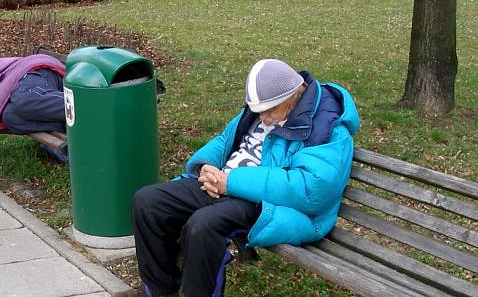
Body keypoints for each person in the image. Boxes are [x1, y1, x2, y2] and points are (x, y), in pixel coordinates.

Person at [114, 59, 360, 297]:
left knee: (203, 225)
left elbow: (311, 191)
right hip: (225, 185)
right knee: (148, 202)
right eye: (257, 111)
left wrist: (230, 182)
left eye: (269, 110)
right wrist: (205, 168)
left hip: (270, 204)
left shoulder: (328, 128)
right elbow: (224, 141)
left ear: (295, 94)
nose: (263, 118)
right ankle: (161, 291)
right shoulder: (265, 107)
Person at [0, 53, 67, 140]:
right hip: (23, 82)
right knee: (9, 116)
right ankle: (71, 124)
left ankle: (82, 106)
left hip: (36, 71)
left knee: (24, 98)